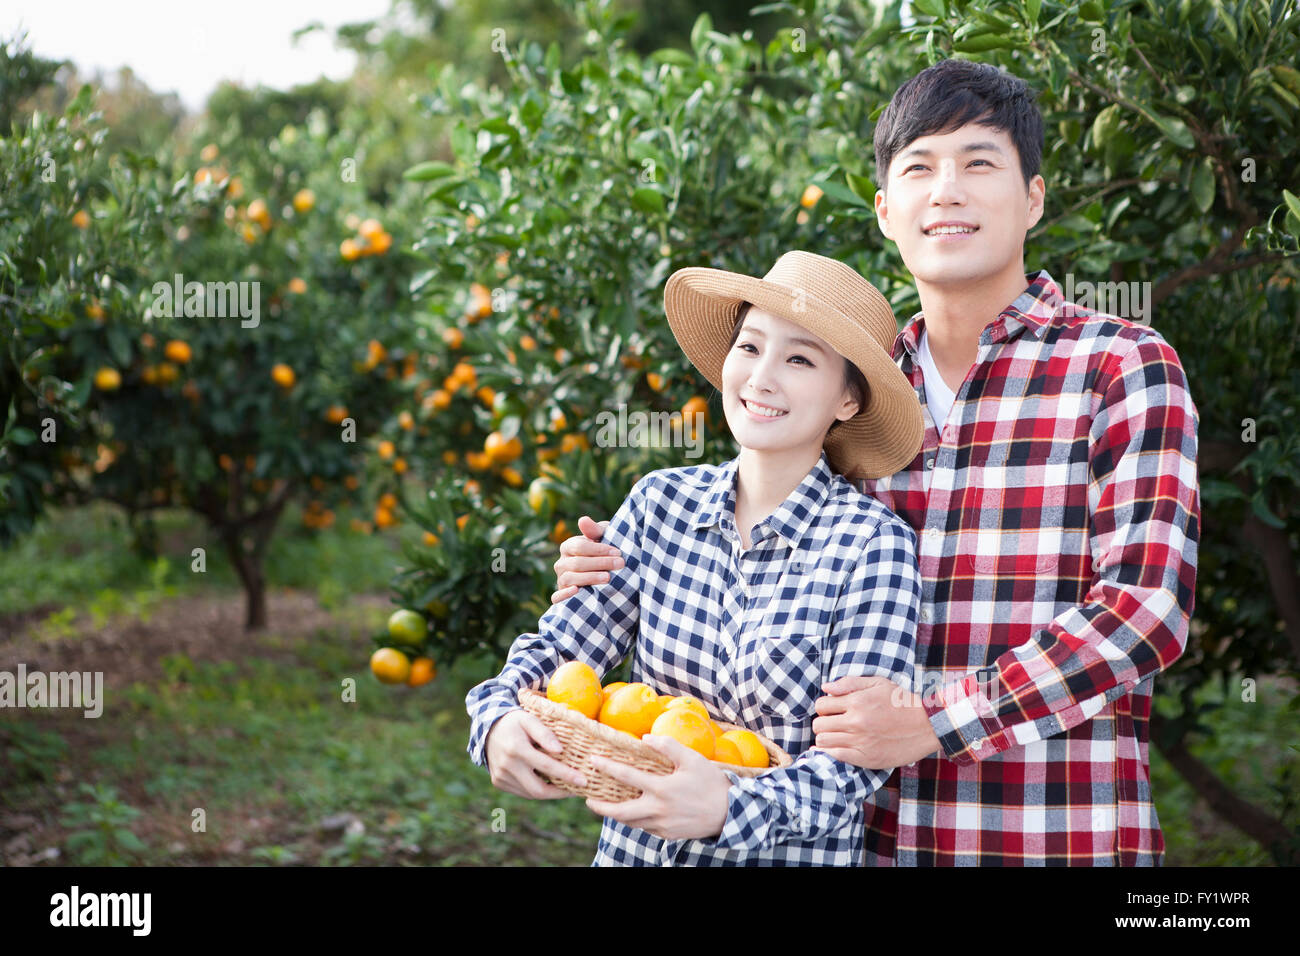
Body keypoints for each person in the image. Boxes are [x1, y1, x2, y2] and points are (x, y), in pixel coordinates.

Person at [551, 59, 1201, 866]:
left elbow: (1146, 609)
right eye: (920, 167)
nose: (948, 190)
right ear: (887, 210)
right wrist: (613, 569)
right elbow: (746, 536)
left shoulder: (1119, 366)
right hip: (863, 838)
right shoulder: (846, 382)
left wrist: (937, 718)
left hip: (1049, 833)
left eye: (979, 162)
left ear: (1032, 197)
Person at [466, 251, 926, 865]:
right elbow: (561, 654)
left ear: (848, 400)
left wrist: (728, 809)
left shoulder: (872, 546)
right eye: (750, 347)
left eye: (799, 359)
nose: (762, 377)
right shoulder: (659, 505)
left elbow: (853, 768)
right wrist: (495, 720)